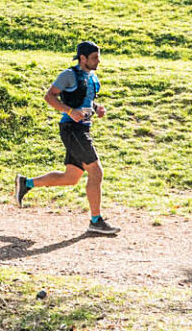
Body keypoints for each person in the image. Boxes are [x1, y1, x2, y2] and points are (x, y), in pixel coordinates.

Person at [15, 40, 118, 235]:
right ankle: (96, 221)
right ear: (83, 58)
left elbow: (87, 100)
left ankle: (26, 183)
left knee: (71, 177)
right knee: (96, 172)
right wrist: (69, 111)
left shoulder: (92, 77)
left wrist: (97, 108)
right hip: (72, 129)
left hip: (82, 129)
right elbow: (49, 96)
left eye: (98, 57)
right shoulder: (69, 75)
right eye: (94, 58)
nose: (98, 61)